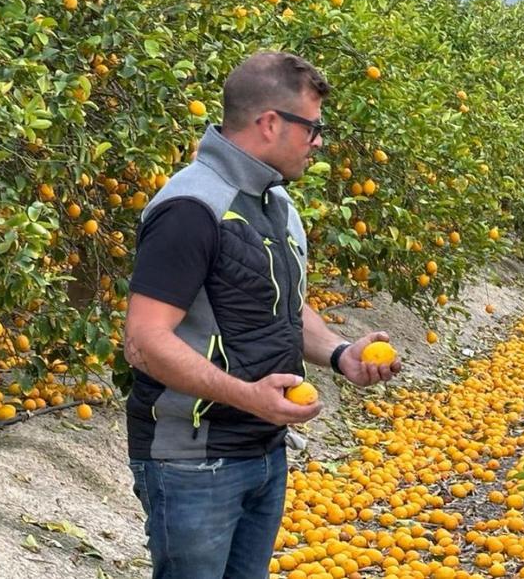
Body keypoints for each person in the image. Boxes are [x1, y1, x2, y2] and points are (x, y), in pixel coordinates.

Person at [122, 51, 400, 579]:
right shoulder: (191, 207)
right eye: (312, 128)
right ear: (270, 123)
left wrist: (341, 355)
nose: (319, 142)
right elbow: (144, 339)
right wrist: (247, 396)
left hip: (264, 449)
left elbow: (286, 307)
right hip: (193, 459)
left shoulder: (276, 203)